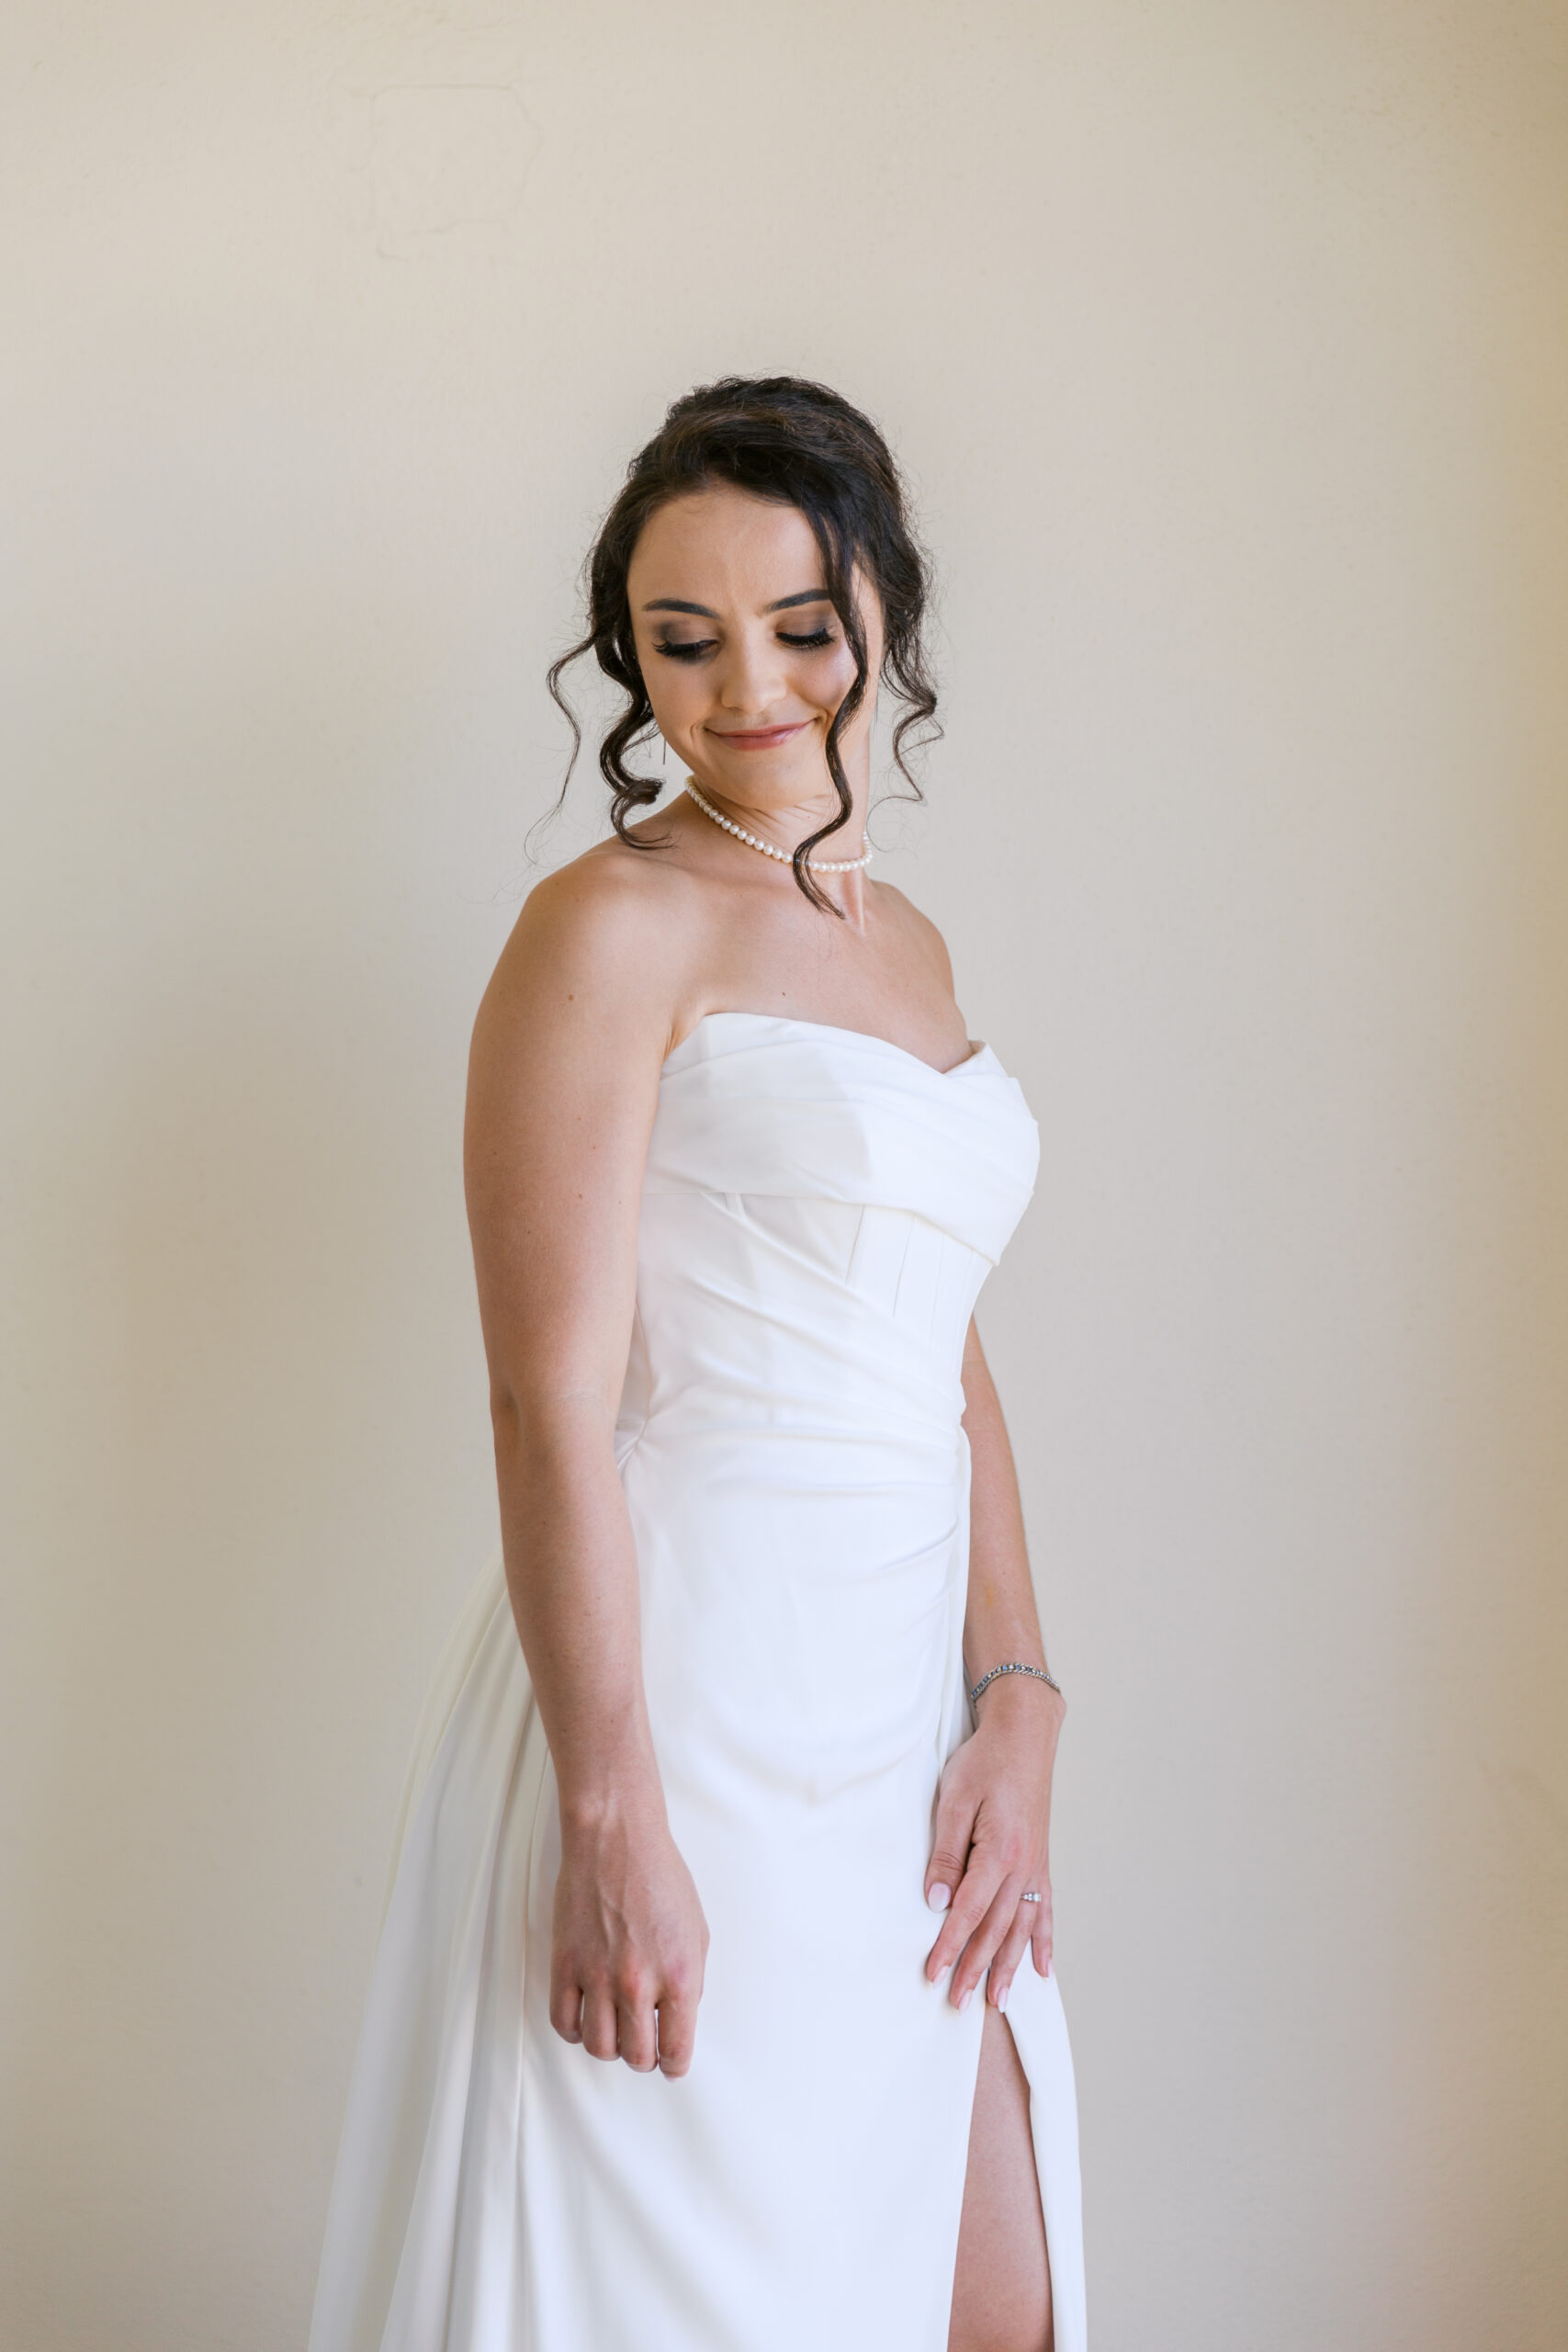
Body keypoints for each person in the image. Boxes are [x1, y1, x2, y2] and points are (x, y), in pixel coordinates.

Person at [308, 377, 1086, 2352]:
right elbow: (545, 1401)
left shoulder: (906, 943)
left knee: (993, 2299)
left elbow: (940, 1350)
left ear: (885, 608)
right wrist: (607, 1815)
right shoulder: (607, 926)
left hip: (901, 1719)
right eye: (683, 639)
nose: (748, 686)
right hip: (684, 1710)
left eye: (801, 625)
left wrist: (1017, 1696)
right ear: (628, 657)